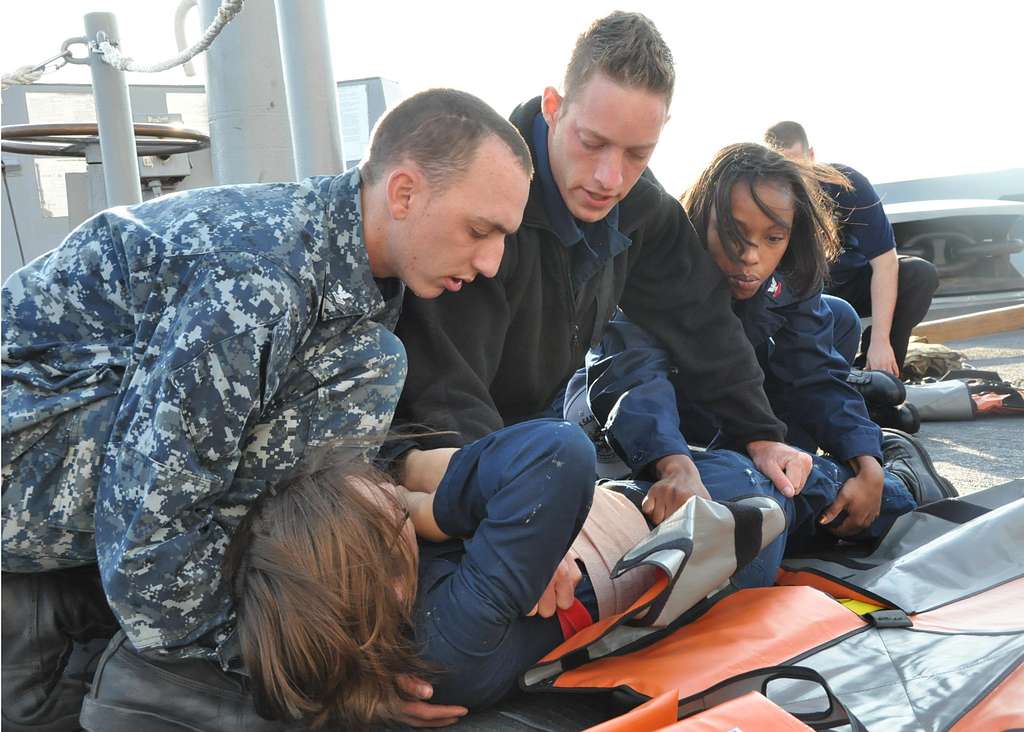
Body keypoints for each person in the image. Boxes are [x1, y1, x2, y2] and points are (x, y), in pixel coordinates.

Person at [1, 88, 533, 732]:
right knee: (365, 372)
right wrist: (296, 667)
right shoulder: (258, 282)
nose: (491, 260)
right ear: (404, 193)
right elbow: (148, 513)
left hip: (62, 454)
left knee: (365, 372)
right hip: (18, 459)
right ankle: (164, 673)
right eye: (480, 230)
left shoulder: (345, 267)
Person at [224, 413, 952, 729]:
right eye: (390, 512)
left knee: (770, 484)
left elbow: (285, 672)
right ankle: (903, 482)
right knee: (793, 494)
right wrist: (434, 510)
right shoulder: (453, 634)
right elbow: (555, 453)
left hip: (641, 529)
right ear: (376, 572)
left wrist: (355, 700)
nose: (395, 496)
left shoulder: (417, 639)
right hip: (703, 541)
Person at [391, 12, 814, 507]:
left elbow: (704, 324)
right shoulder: (481, 207)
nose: (609, 179)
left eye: (637, 153)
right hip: (442, 456)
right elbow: (447, 389)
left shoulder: (644, 209)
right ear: (553, 106)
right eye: (592, 144)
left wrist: (761, 434)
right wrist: (513, 514)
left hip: (543, 436)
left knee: (759, 494)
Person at [564, 142, 954, 545]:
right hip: (635, 434)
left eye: (773, 237)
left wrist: (866, 460)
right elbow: (634, 379)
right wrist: (672, 464)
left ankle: (890, 471)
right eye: (733, 233)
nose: (750, 255)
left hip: (735, 425)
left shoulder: (791, 276)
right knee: (741, 491)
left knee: (836, 321)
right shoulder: (658, 272)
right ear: (701, 221)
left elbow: (814, 374)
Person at [764, 120, 939, 376]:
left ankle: (879, 374)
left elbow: (885, 262)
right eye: (781, 165)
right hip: (801, 292)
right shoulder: (765, 196)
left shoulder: (847, 184)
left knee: (918, 274)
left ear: (811, 155)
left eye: (796, 161)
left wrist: (881, 340)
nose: (791, 172)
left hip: (850, 283)